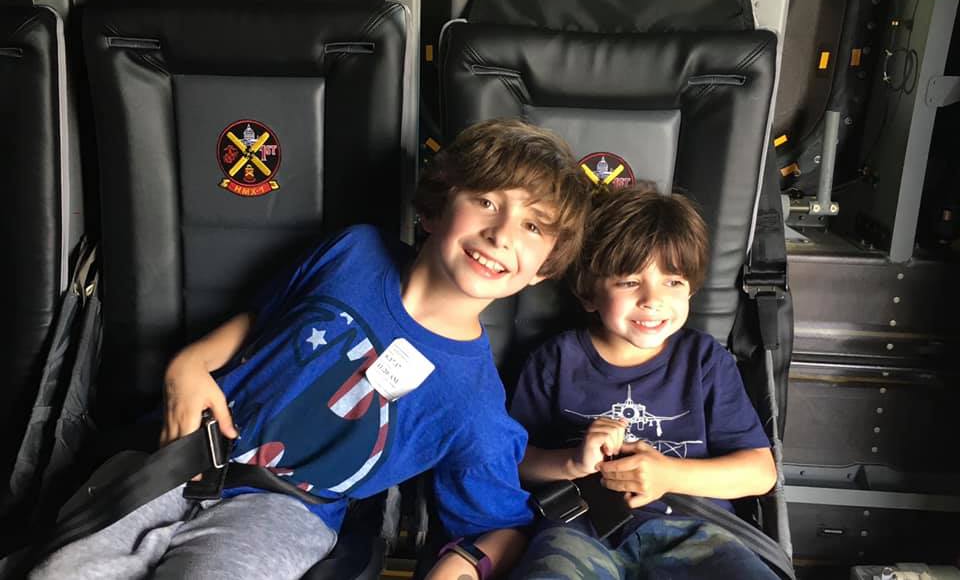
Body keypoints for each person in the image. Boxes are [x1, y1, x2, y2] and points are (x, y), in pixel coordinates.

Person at [30, 119, 591, 580]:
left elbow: (504, 524)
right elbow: (264, 319)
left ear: (544, 270)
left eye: (534, 227)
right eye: (487, 202)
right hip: (181, 449)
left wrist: (466, 564)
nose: (502, 234)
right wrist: (190, 364)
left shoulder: (472, 405)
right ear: (437, 208)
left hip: (283, 510)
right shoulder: (354, 251)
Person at [509, 184, 779, 579]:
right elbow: (512, 462)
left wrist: (667, 474)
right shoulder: (555, 360)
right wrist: (571, 462)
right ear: (588, 293)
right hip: (578, 530)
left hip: (694, 531)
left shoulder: (704, 362)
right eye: (630, 282)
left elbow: (760, 471)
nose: (653, 300)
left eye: (673, 282)